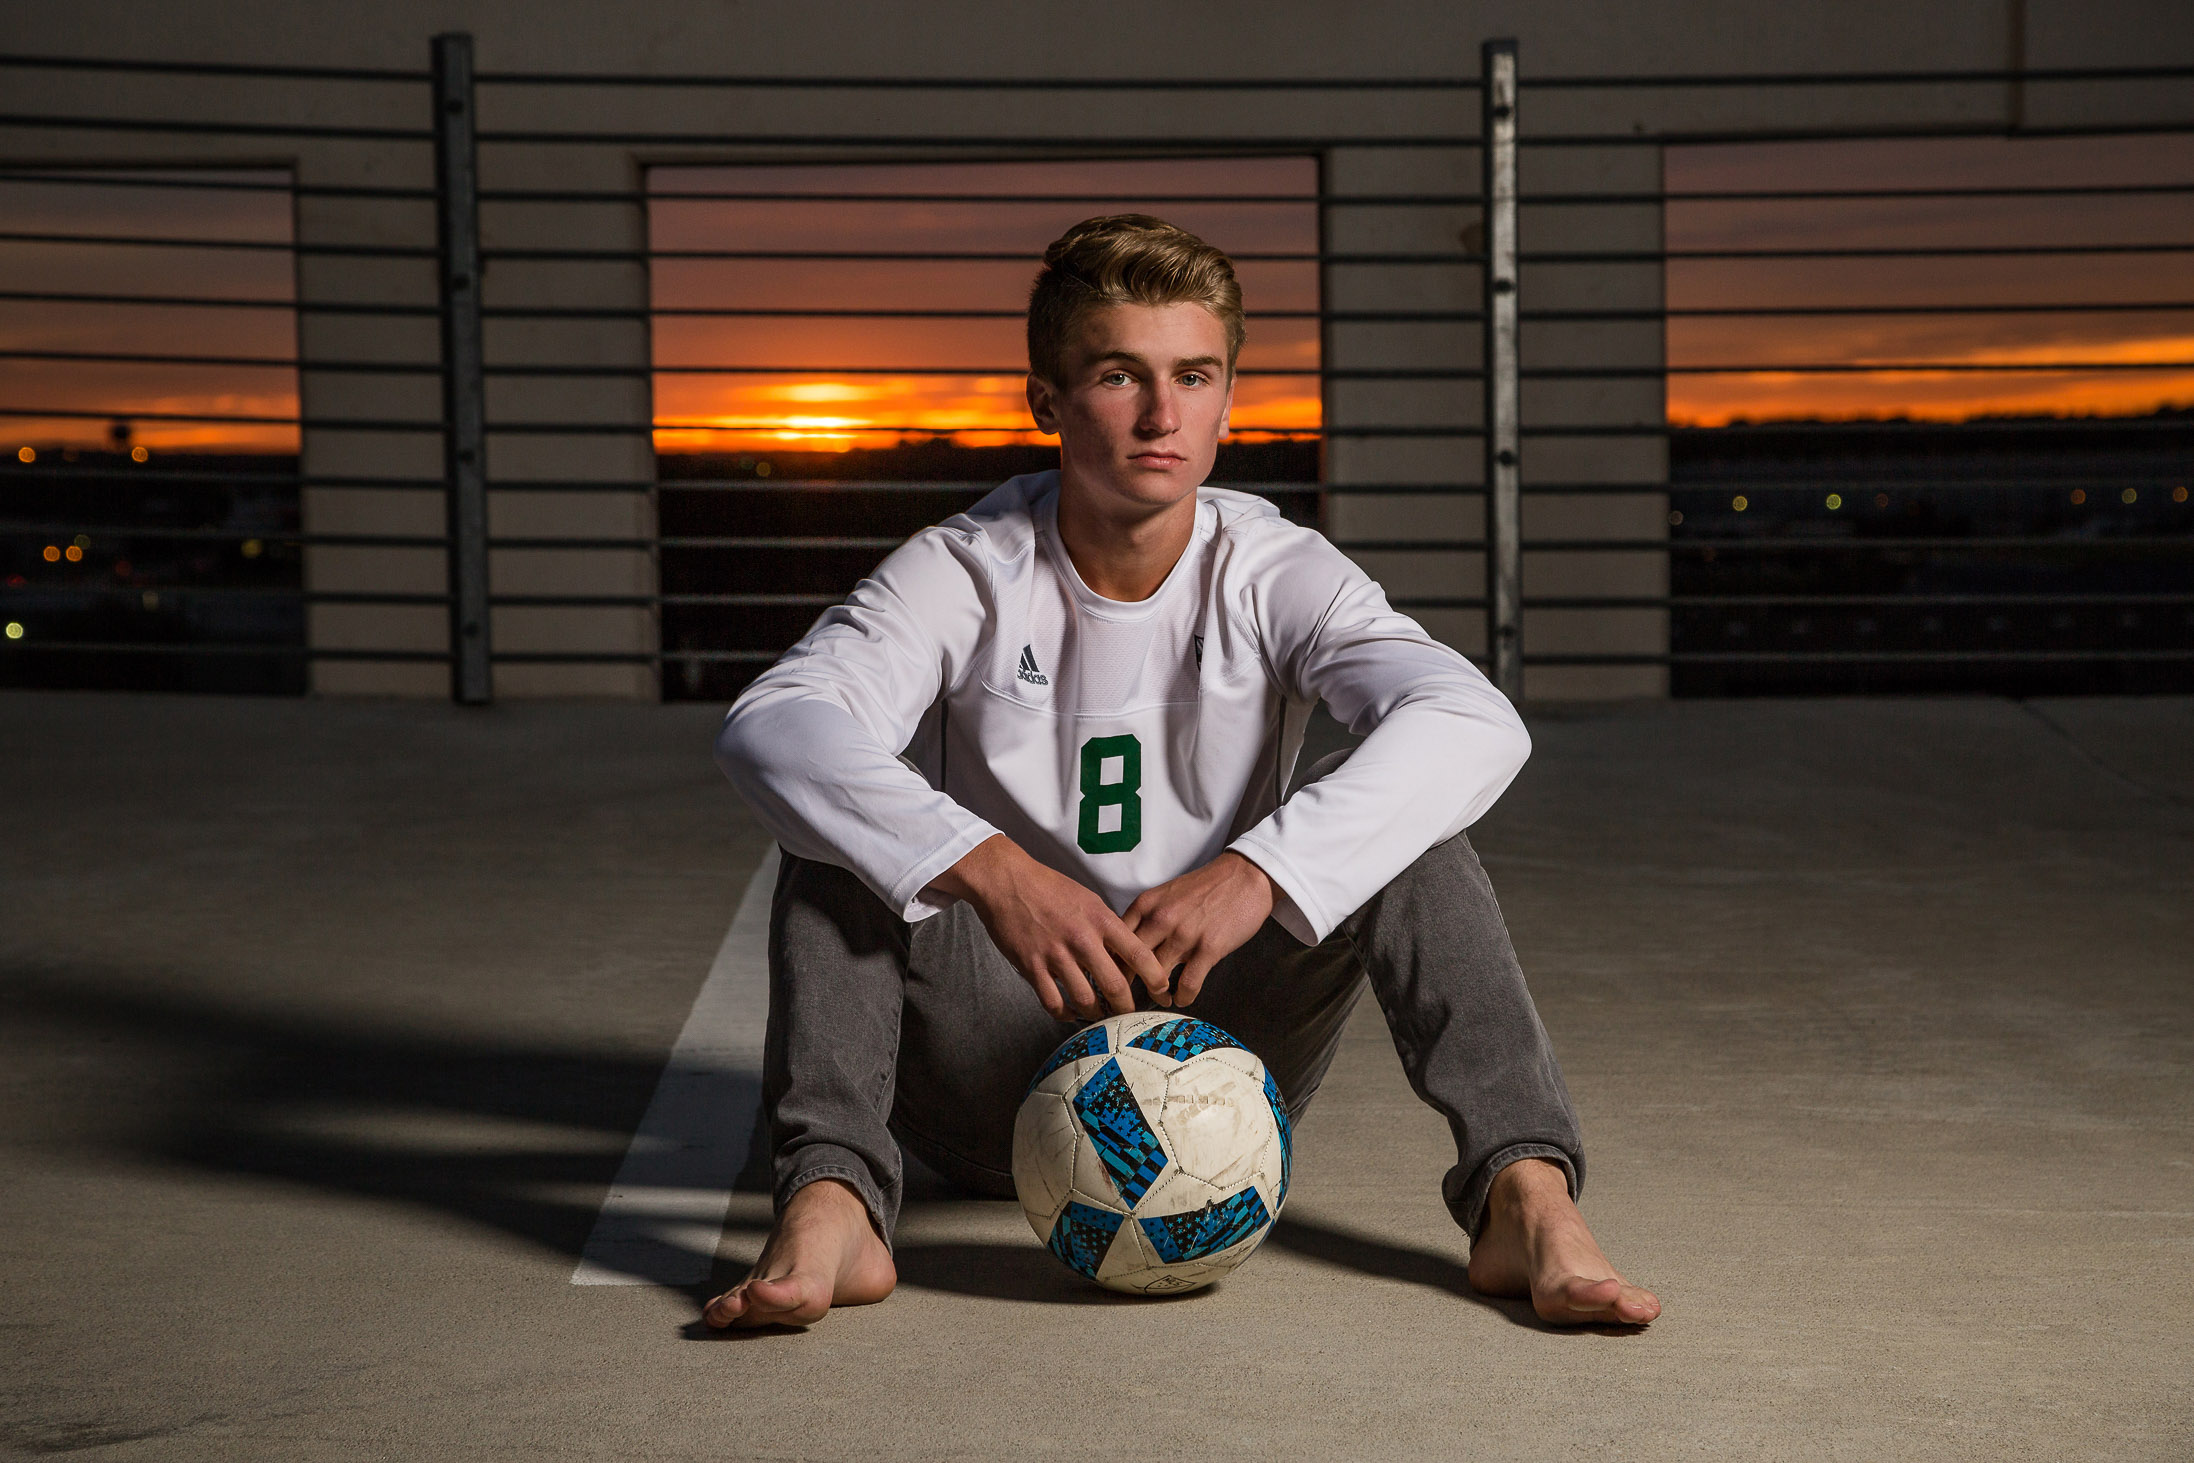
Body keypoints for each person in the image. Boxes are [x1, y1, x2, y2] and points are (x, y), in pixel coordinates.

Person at [705, 215, 1659, 1330]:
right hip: (990, 1064)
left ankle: (1523, 1196)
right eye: (1119, 375)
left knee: (1413, 832)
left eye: (1193, 376)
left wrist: (1261, 868)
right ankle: (834, 1199)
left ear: (1225, 397)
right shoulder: (964, 566)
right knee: (839, 848)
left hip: (1214, 1042)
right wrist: (991, 869)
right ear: (1046, 402)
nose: (1162, 415)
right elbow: (775, 723)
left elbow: (1470, 717)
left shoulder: (1273, 568)